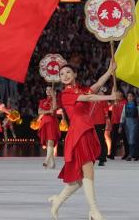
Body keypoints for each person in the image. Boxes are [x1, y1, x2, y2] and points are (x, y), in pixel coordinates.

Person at [49, 61, 116, 220]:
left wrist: (109, 71)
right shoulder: (66, 94)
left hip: (86, 131)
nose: (65, 76)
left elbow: (98, 84)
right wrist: (109, 96)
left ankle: (57, 201)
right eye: (62, 74)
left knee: (79, 179)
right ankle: (93, 211)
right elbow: (90, 97)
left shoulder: (81, 89)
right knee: (88, 173)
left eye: (68, 72)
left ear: (75, 75)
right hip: (78, 134)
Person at [38, 86, 60, 169]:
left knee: (51, 141)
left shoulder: (55, 100)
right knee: (47, 143)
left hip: (52, 122)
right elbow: (39, 111)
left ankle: (46, 161)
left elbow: (54, 108)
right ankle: (53, 162)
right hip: (44, 122)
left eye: (50, 89)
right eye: (46, 89)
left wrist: (54, 97)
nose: (48, 91)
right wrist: (48, 111)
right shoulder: (42, 101)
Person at [91, 89, 110, 167]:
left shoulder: (103, 101)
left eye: (102, 93)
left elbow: (106, 111)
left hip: (100, 122)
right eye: (99, 92)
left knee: (101, 140)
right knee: (93, 140)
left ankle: (102, 158)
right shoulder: (92, 100)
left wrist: (107, 120)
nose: (100, 94)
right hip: (92, 123)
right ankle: (94, 157)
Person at [108, 90, 127, 160]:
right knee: (113, 139)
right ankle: (112, 154)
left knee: (124, 138)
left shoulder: (125, 102)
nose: (118, 94)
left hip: (122, 122)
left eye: (119, 92)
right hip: (114, 122)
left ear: (122, 93)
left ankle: (127, 153)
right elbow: (108, 107)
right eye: (117, 92)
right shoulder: (114, 101)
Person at [120, 91, 138, 161]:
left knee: (133, 140)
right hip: (127, 124)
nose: (129, 97)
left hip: (134, 124)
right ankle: (133, 155)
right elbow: (123, 116)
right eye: (128, 96)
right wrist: (120, 125)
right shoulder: (125, 105)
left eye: (131, 96)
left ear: (133, 97)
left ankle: (131, 155)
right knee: (129, 140)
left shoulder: (136, 106)